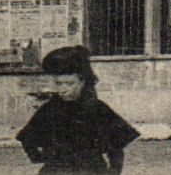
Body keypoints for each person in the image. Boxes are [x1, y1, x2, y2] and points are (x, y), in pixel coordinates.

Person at [16, 45, 140, 174]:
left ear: (82, 82)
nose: (63, 89)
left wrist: (114, 172)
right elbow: (27, 137)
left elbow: (116, 147)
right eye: (59, 83)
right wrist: (38, 157)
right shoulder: (50, 109)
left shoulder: (97, 109)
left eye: (69, 83)